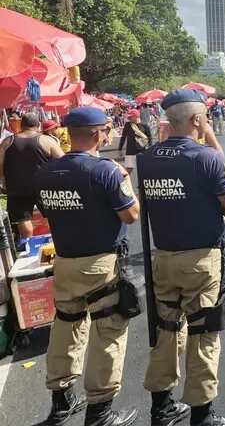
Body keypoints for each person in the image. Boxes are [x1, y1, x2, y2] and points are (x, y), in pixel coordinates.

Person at [138, 89, 225, 426]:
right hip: (200, 261)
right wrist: (211, 138)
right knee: (203, 335)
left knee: (166, 330)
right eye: (206, 118)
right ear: (197, 119)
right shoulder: (206, 158)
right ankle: (201, 413)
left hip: (163, 258)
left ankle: (161, 405)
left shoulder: (148, 157)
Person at [36, 107, 141, 426]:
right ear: (97, 134)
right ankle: (100, 410)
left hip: (65, 262)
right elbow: (131, 214)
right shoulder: (106, 171)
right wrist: (125, 180)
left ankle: (62, 398)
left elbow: (46, 210)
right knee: (108, 332)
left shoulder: (46, 172)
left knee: (66, 326)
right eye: (107, 131)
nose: (108, 136)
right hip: (101, 264)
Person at [0, 112, 63, 239]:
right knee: (53, 213)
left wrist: (2, 178)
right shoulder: (47, 140)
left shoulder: (7, 142)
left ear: (21, 125)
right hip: (44, 184)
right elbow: (63, 161)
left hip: (17, 186)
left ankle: (28, 241)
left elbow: (0, 163)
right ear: (38, 125)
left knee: (23, 217)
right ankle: (58, 238)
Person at [118, 108, 152, 175]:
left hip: (142, 151)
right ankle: (126, 184)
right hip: (130, 151)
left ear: (136, 116)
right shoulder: (128, 125)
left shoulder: (145, 125)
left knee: (143, 170)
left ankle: (142, 185)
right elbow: (123, 137)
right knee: (128, 171)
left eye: (130, 116)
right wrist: (120, 149)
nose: (129, 117)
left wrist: (150, 150)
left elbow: (150, 138)